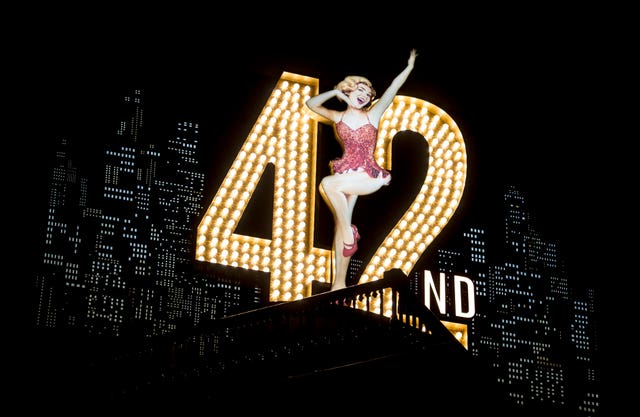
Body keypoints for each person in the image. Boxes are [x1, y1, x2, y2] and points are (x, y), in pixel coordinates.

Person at [306, 49, 417, 291]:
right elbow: (311, 103)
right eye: (360, 91)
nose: (365, 96)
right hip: (347, 174)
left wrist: (408, 67)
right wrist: (335, 91)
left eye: (368, 94)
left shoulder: (373, 115)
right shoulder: (337, 117)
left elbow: (392, 90)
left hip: (368, 174)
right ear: (348, 91)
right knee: (339, 222)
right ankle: (339, 284)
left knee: (327, 184)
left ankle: (349, 233)